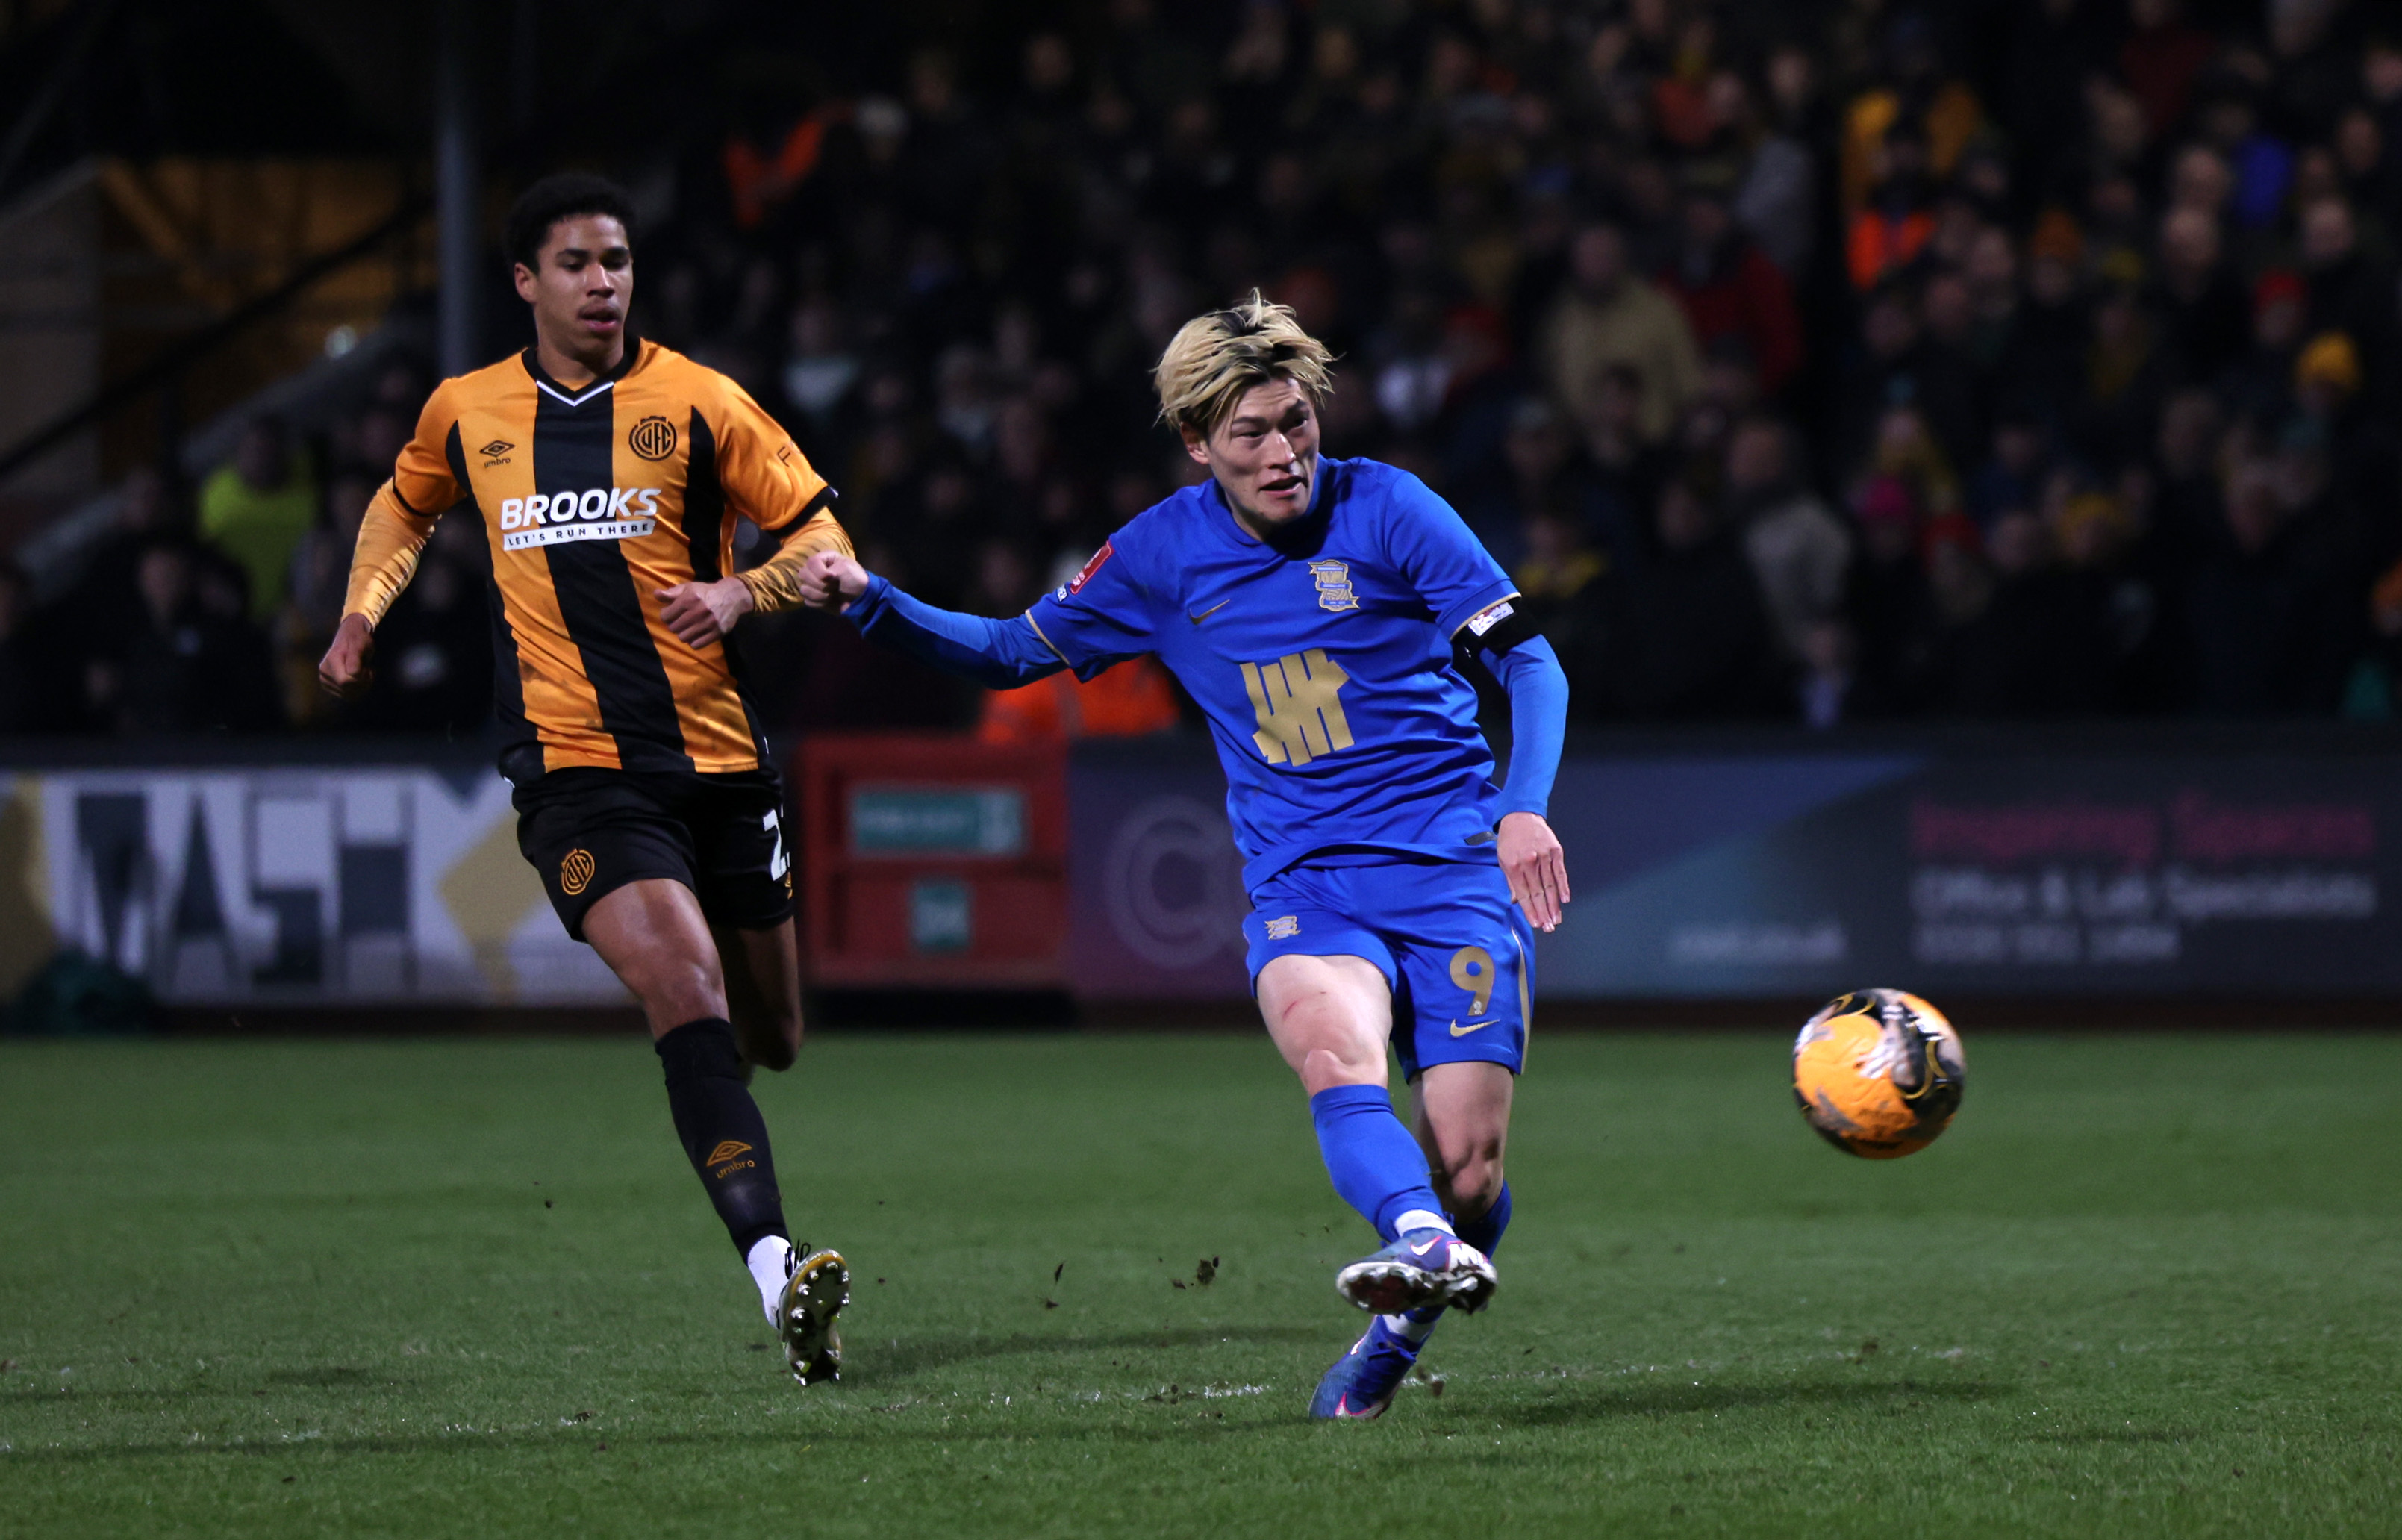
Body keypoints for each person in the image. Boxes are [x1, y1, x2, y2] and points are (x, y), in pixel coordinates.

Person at [796, 293, 1573, 1421]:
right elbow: (1015, 651)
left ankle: (1409, 1302)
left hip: (1452, 869)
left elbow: (1531, 664)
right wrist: (873, 601)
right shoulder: (1158, 555)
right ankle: (1413, 1239)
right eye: (1251, 432)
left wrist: (1523, 806)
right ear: (1198, 444)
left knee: (1472, 1173)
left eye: (1295, 422)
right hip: (1303, 881)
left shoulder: (1393, 508)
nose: (1283, 451)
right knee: (1330, 1051)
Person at [316, 174, 855, 1386]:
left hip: (718, 767)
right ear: (525, 282)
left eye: (616, 258)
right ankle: (777, 1271)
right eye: (575, 262)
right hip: (576, 778)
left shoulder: (702, 403)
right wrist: (358, 617)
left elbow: (825, 541)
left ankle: (745, 1157)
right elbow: (401, 515)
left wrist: (743, 589)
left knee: (772, 1032)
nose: (603, 281)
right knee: (681, 976)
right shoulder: (467, 411)